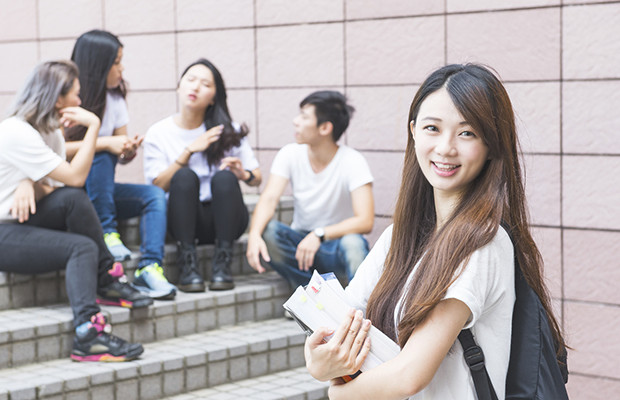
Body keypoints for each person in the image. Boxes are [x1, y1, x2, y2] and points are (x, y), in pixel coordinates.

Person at [303, 64, 567, 399]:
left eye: (467, 133)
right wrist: (317, 360)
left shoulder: (483, 243)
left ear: (491, 146)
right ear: (413, 131)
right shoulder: (400, 237)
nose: (445, 148)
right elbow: (340, 320)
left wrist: (336, 392)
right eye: (432, 128)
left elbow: (408, 376)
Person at [0, 60, 148, 361]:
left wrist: (29, 180)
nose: (79, 102)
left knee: (73, 199)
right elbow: (76, 176)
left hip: (26, 218)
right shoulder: (15, 130)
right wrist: (93, 125)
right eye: (76, 95)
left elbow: (60, 187)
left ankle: (106, 278)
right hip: (4, 232)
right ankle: (87, 333)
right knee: (80, 247)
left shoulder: (49, 132)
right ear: (58, 99)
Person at [66, 30, 175, 300]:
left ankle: (150, 265)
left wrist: (127, 150)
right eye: (116, 62)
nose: (121, 68)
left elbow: (118, 150)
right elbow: (52, 152)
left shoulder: (115, 100)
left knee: (154, 195)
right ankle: (108, 232)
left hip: (100, 191)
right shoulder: (66, 98)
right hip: (69, 194)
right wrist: (105, 144)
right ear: (98, 65)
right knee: (100, 155)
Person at [143, 58, 262, 292]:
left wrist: (242, 173)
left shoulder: (228, 131)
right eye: (190, 80)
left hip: (225, 220)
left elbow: (257, 177)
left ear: (215, 97)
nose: (195, 87)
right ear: (179, 87)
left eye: (205, 84)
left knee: (224, 178)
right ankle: (188, 264)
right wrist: (187, 152)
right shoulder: (159, 133)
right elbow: (157, 185)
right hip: (183, 220)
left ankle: (222, 265)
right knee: (184, 177)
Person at [246, 90, 374, 289]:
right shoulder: (289, 153)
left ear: (324, 128)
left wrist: (319, 234)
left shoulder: (353, 161)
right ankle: (311, 295)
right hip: (300, 249)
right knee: (267, 231)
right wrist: (254, 234)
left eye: (304, 116)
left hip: (334, 247)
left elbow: (365, 221)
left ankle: (362, 307)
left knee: (354, 243)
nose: (295, 121)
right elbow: (269, 198)